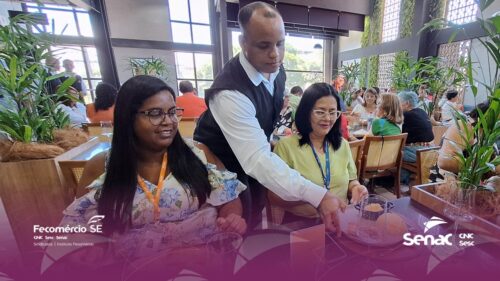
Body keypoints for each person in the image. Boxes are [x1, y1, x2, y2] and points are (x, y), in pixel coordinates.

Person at [193, 1, 346, 233]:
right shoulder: (229, 92)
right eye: (263, 45)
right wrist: (319, 195)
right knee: (227, 234)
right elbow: (257, 159)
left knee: (254, 222)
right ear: (243, 43)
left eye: (280, 43)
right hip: (219, 168)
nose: (275, 54)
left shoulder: (276, 69)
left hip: (249, 165)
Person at [60, 75, 247, 258]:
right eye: (155, 113)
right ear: (128, 117)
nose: (169, 121)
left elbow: (229, 198)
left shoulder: (198, 154)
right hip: (135, 268)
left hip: (199, 261)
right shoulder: (101, 166)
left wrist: (231, 220)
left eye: (172, 112)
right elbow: (81, 225)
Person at [271, 83, 368, 221]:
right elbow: (273, 197)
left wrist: (356, 188)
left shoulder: (343, 145)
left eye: (333, 112)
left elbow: (351, 179)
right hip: (303, 223)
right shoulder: (286, 147)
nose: (328, 118)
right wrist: (318, 201)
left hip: (341, 220)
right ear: (306, 112)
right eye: (320, 112)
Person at [438, 100, 500, 175]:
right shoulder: (465, 126)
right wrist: (484, 167)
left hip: (481, 183)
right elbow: (444, 161)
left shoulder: (492, 134)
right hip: (450, 181)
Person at [397, 91, 434, 185]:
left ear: (407, 103)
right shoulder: (422, 112)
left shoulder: (406, 115)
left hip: (417, 151)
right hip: (430, 149)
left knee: (391, 152)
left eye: (398, 103)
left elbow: (397, 134)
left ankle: (401, 178)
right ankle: (408, 178)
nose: (397, 106)